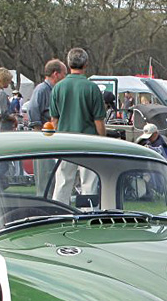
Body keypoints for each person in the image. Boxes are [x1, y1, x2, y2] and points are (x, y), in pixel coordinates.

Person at [51, 47, 107, 202]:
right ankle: (88, 214)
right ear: (86, 64)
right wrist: (104, 141)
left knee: (62, 182)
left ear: (68, 64)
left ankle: (58, 215)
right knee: (89, 184)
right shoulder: (92, 88)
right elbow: (99, 122)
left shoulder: (58, 88)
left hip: (64, 141)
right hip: (88, 142)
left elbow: (54, 121)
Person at [26, 59, 67, 128]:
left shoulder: (57, 91)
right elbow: (33, 110)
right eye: (64, 74)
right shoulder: (41, 90)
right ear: (56, 74)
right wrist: (38, 129)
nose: (65, 77)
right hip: (45, 134)